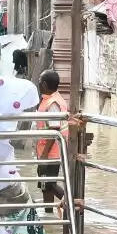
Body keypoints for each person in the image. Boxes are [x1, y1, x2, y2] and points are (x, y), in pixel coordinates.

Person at [34, 69, 69, 213]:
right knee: (44, 184)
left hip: (51, 153)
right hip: (46, 151)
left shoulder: (53, 103)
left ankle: (69, 203)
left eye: (40, 81)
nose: (39, 84)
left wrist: (44, 155)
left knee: (49, 183)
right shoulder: (49, 99)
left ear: (45, 84)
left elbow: (54, 130)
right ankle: (48, 212)